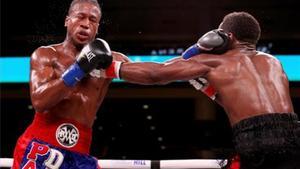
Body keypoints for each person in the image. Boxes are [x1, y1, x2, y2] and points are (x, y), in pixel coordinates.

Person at [105, 12, 300, 169]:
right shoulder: (274, 63)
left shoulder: (215, 61)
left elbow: (157, 73)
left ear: (226, 36)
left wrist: (110, 67)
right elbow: (260, 110)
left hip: (254, 143)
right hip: (293, 137)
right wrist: (212, 92)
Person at [11, 0, 129, 168]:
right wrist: (80, 68)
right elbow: (39, 102)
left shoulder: (109, 60)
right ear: (67, 21)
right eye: (80, 17)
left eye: (92, 20)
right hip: (40, 147)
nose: (86, 24)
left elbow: (153, 73)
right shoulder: (46, 55)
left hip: (80, 154)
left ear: (97, 27)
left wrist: (180, 66)